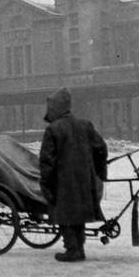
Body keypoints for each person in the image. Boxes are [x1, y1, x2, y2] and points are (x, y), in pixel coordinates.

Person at [38, 87, 108, 262]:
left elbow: (47, 160)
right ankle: (79, 248)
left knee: (64, 214)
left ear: (55, 108)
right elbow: (101, 148)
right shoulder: (85, 124)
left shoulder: (53, 129)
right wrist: (99, 171)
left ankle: (72, 250)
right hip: (84, 178)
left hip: (63, 179)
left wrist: (46, 182)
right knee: (78, 214)